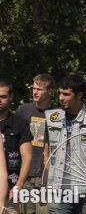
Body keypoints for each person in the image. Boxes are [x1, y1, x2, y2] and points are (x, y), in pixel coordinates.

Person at [44, 74, 86, 214]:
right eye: (60, 93)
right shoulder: (51, 118)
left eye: (66, 94)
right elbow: (45, 154)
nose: (60, 98)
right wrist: (44, 185)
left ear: (79, 95)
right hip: (58, 188)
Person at [14, 73, 54, 214]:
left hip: (47, 174)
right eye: (34, 88)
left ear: (50, 91)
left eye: (39, 89)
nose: (35, 92)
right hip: (25, 173)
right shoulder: (23, 111)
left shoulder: (57, 113)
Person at [0, 79, 23, 214]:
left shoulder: (19, 124)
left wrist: (18, 185)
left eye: (3, 96)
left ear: (10, 97)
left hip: (8, 189)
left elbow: (2, 172)